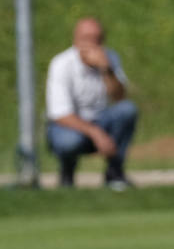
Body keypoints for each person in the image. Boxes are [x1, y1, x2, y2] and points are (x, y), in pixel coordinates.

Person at [45, 17, 139, 189]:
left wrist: (106, 70)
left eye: (97, 39)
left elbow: (120, 98)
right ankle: (67, 172)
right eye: (86, 38)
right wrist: (95, 133)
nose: (92, 44)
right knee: (68, 141)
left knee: (128, 110)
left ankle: (115, 172)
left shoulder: (110, 58)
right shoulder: (61, 64)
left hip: (101, 120)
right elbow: (59, 114)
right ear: (75, 40)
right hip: (70, 126)